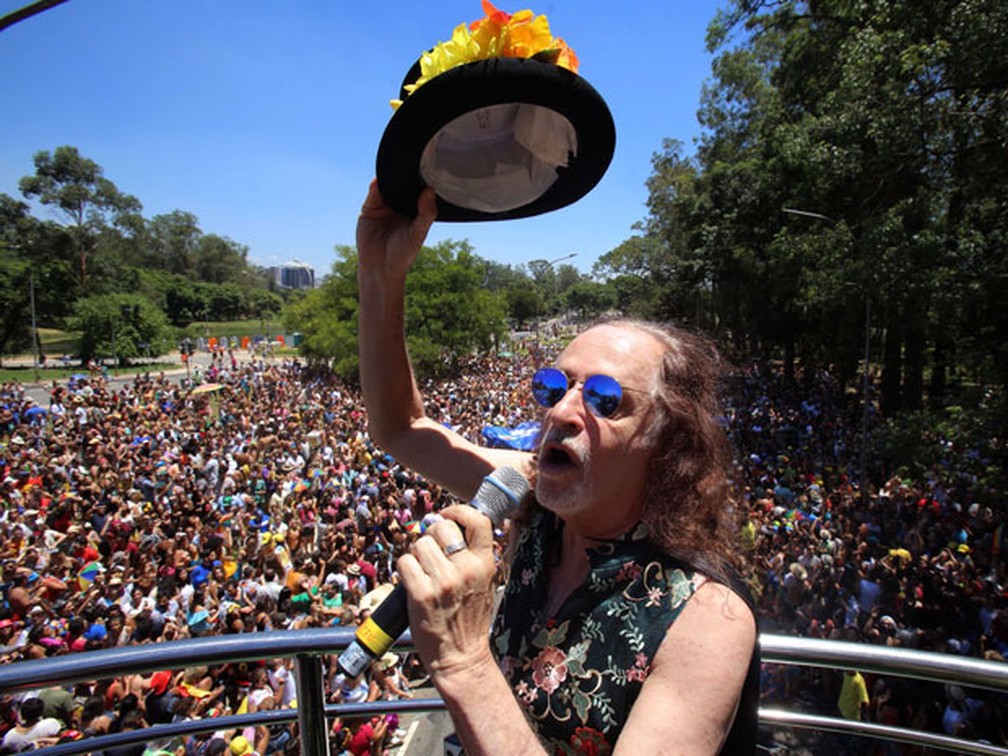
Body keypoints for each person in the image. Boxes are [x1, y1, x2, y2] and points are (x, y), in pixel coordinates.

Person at [356, 180, 758, 754]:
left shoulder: (706, 619)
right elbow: (402, 429)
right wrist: (380, 272)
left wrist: (466, 662)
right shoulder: (532, 496)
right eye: (554, 386)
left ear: (667, 444)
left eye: (604, 399)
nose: (562, 411)